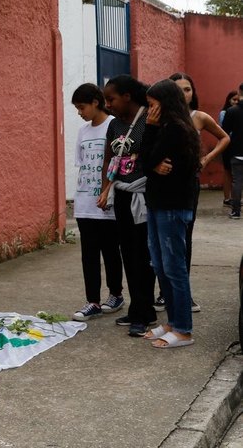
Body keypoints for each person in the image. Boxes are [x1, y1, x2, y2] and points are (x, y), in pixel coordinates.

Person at [161, 73, 229, 313]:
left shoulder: (198, 117)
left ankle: (183, 293)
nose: (184, 94)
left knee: (183, 239)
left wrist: (207, 158)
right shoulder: (160, 117)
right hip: (160, 186)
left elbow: (224, 137)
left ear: (193, 92)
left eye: (188, 89)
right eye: (178, 89)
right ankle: (163, 292)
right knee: (160, 241)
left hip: (188, 185)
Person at [141, 79, 201, 348]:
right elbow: (146, 162)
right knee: (160, 265)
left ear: (165, 103)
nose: (149, 110)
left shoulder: (176, 129)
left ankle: (184, 330)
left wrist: (151, 138)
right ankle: (172, 322)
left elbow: (147, 158)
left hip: (172, 207)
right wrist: (153, 164)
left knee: (174, 268)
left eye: (152, 105)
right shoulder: (165, 127)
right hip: (157, 204)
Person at [97, 75, 157, 337]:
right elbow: (109, 158)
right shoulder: (114, 125)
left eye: (111, 99)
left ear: (127, 96)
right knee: (127, 254)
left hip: (143, 196)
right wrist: (105, 188)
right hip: (121, 195)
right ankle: (138, 308)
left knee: (142, 255)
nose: (107, 104)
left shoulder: (149, 120)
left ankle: (144, 314)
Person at [70, 83, 124, 321]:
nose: (80, 112)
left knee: (111, 251)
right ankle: (92, 301)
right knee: (88, 254)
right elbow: (82, 164)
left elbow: (119, 164)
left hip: (107, 203)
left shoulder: (114, 126)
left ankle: (116, 294)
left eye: (82, 107)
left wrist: (107, 190)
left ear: (95, 102)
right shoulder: (83, 131)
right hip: (84, 203)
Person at [223, 83, 243, 220]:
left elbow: (224, 132)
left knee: (237, 182)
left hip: (236, 151)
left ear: (239, 92)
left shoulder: (232, 111)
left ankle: (236, 211)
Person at [220, 90, 240, 206]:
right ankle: (227, 198)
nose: (236, 102)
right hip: (228, 145)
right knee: (228, 171)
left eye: (237, 100)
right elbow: (224, 130)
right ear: (229, 100)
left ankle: (235, 198)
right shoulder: (224, 113)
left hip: (236, 145)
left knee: (236, 174)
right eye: (234, 99)